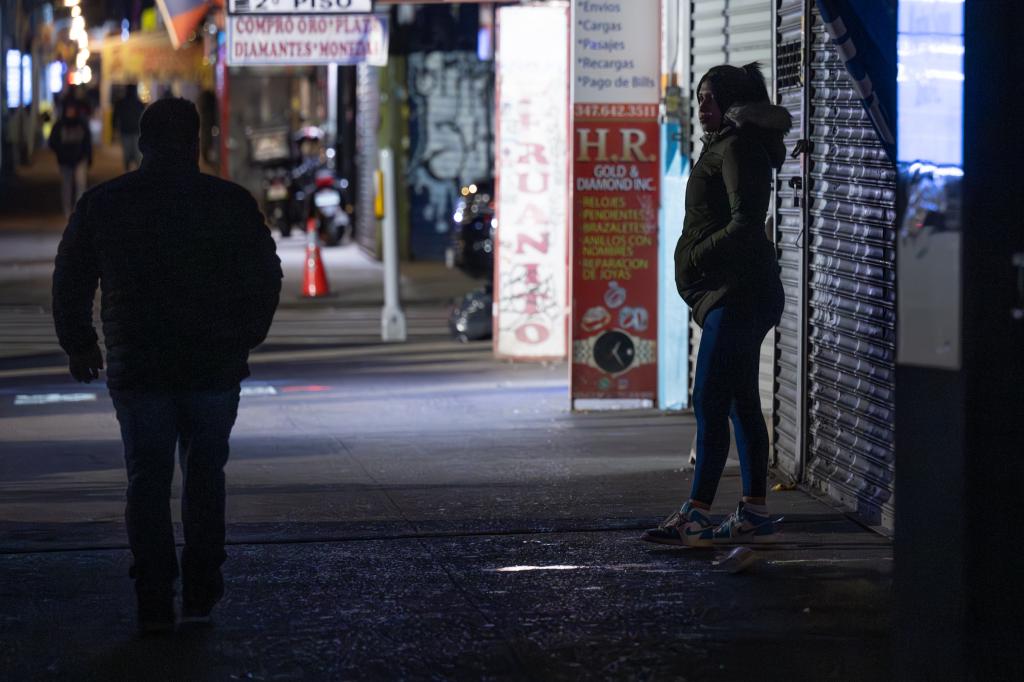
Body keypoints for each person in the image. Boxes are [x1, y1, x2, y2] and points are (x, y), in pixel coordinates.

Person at [52, 98, 283, 633]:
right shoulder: (228, 202)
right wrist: (246, 336)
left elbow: (71, 277)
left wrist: (80, 343)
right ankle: (201, 587)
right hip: (212, 365)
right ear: (195, 143)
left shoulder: (104, 203)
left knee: (147, 481)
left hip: (140, 367)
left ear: (142, 144)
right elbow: (264, 274)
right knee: (205, 477)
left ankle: (154, 593)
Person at [642, 62, 790, 547]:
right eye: (701, 97)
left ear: (731, 104)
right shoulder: (728, 144)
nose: (703, 106)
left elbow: (748, 221)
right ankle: (753, 512)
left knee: (709, 398)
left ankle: (697, 514)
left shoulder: (737, 147)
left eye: (711, 98)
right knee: (741, 400)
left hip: (737, 295)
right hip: (736, 293)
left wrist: (697, 256)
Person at [48, 101, 92, 218]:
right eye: (68, 109)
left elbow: (87, 142)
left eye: (72, 109)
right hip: (65, 160)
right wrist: (60, 153)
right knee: (66, 186)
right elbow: (52, 142)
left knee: (80, 184)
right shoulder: (59, 125)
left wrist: (88, 157)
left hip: (80, 159)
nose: (70, 112)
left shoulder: (81, 124)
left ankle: (78, 209)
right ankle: (67, 210)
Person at [113, 84, 145, 171]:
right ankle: (138, 174)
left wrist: (114, 130)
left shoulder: (120, 103)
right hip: (136, 132)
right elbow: (144, 118)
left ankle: (127, 173)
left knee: (127, 155)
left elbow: (115, 117)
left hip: (125, 131)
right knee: (137, 155)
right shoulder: (139, 103)